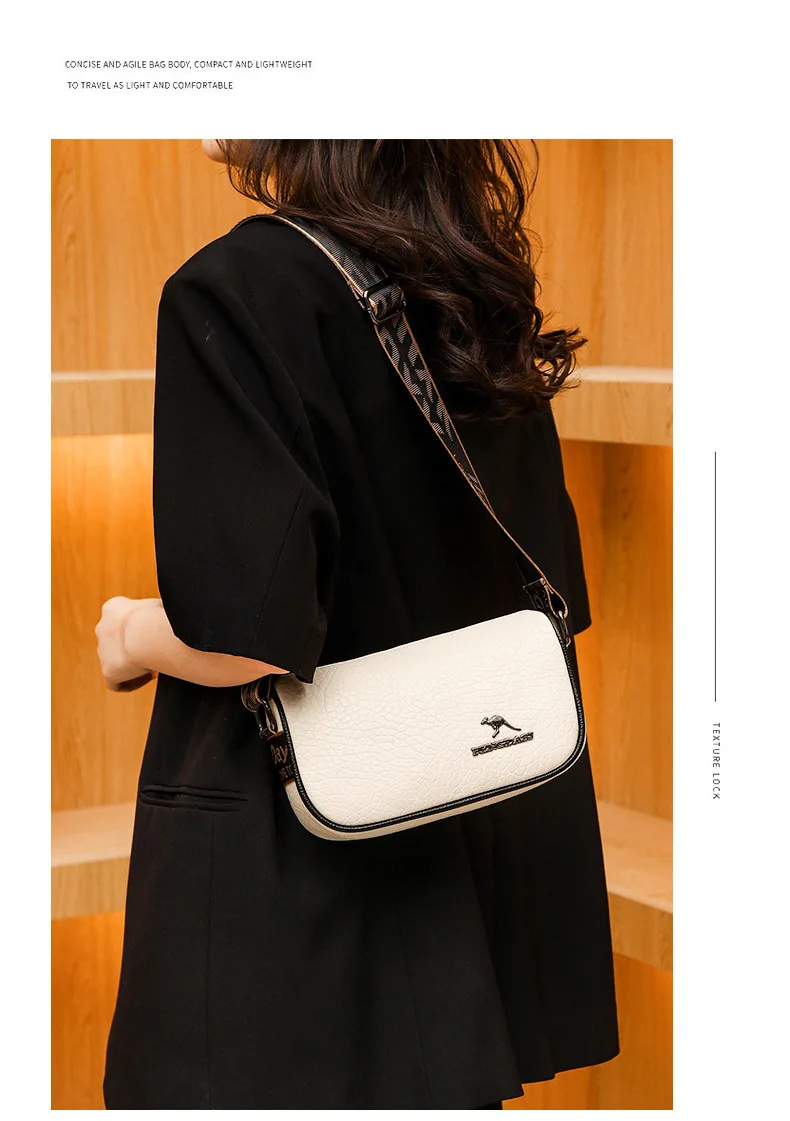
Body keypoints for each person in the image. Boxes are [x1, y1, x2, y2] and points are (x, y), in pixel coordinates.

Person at [97, 139, 620, 1110]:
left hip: (302, 871)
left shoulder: (235, 290)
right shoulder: (476, 282)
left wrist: (129, 632)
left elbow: (244, 635)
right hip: (472, 851)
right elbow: (545, 588)